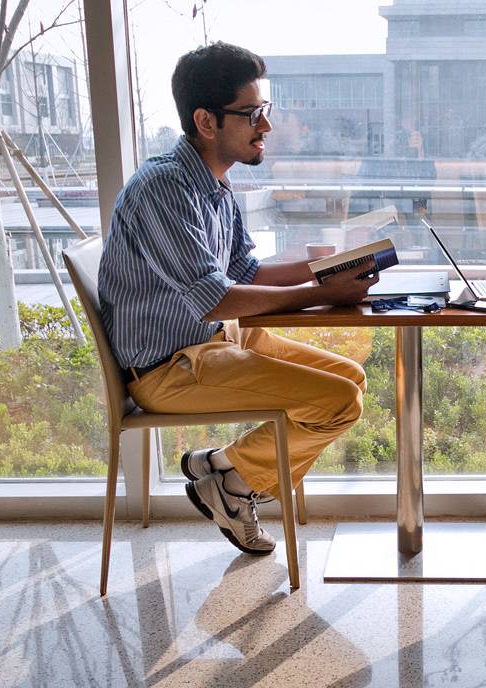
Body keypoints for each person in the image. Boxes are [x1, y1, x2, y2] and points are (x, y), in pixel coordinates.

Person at [98, 42, 377, 556]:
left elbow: (245, 271)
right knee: (338, 402)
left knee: (350, 381)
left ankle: (226, 473)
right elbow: (215, 298)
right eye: (252, 114)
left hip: (215, 343)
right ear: (206, 121)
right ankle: (230, 481)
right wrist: (320, 292)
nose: (266, 127)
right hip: (170, 369)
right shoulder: (162, 189)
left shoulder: (215, 188)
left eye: (263, 112)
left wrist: (332, 268)